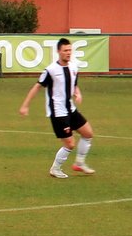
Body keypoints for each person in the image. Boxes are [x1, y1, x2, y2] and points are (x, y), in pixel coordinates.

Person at [18, 37, 96, 179]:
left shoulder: (73, 67)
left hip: (70, 109)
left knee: (88, 134)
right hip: (58, 112)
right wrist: (25, 105)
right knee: (70, 144)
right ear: (58, 51)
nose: (68, 53)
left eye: (70, 50)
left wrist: (77, 94)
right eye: (65, 50)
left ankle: (79, 163)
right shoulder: (51, 70)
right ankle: (55, 169)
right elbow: (37, 86)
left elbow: (74, 85)